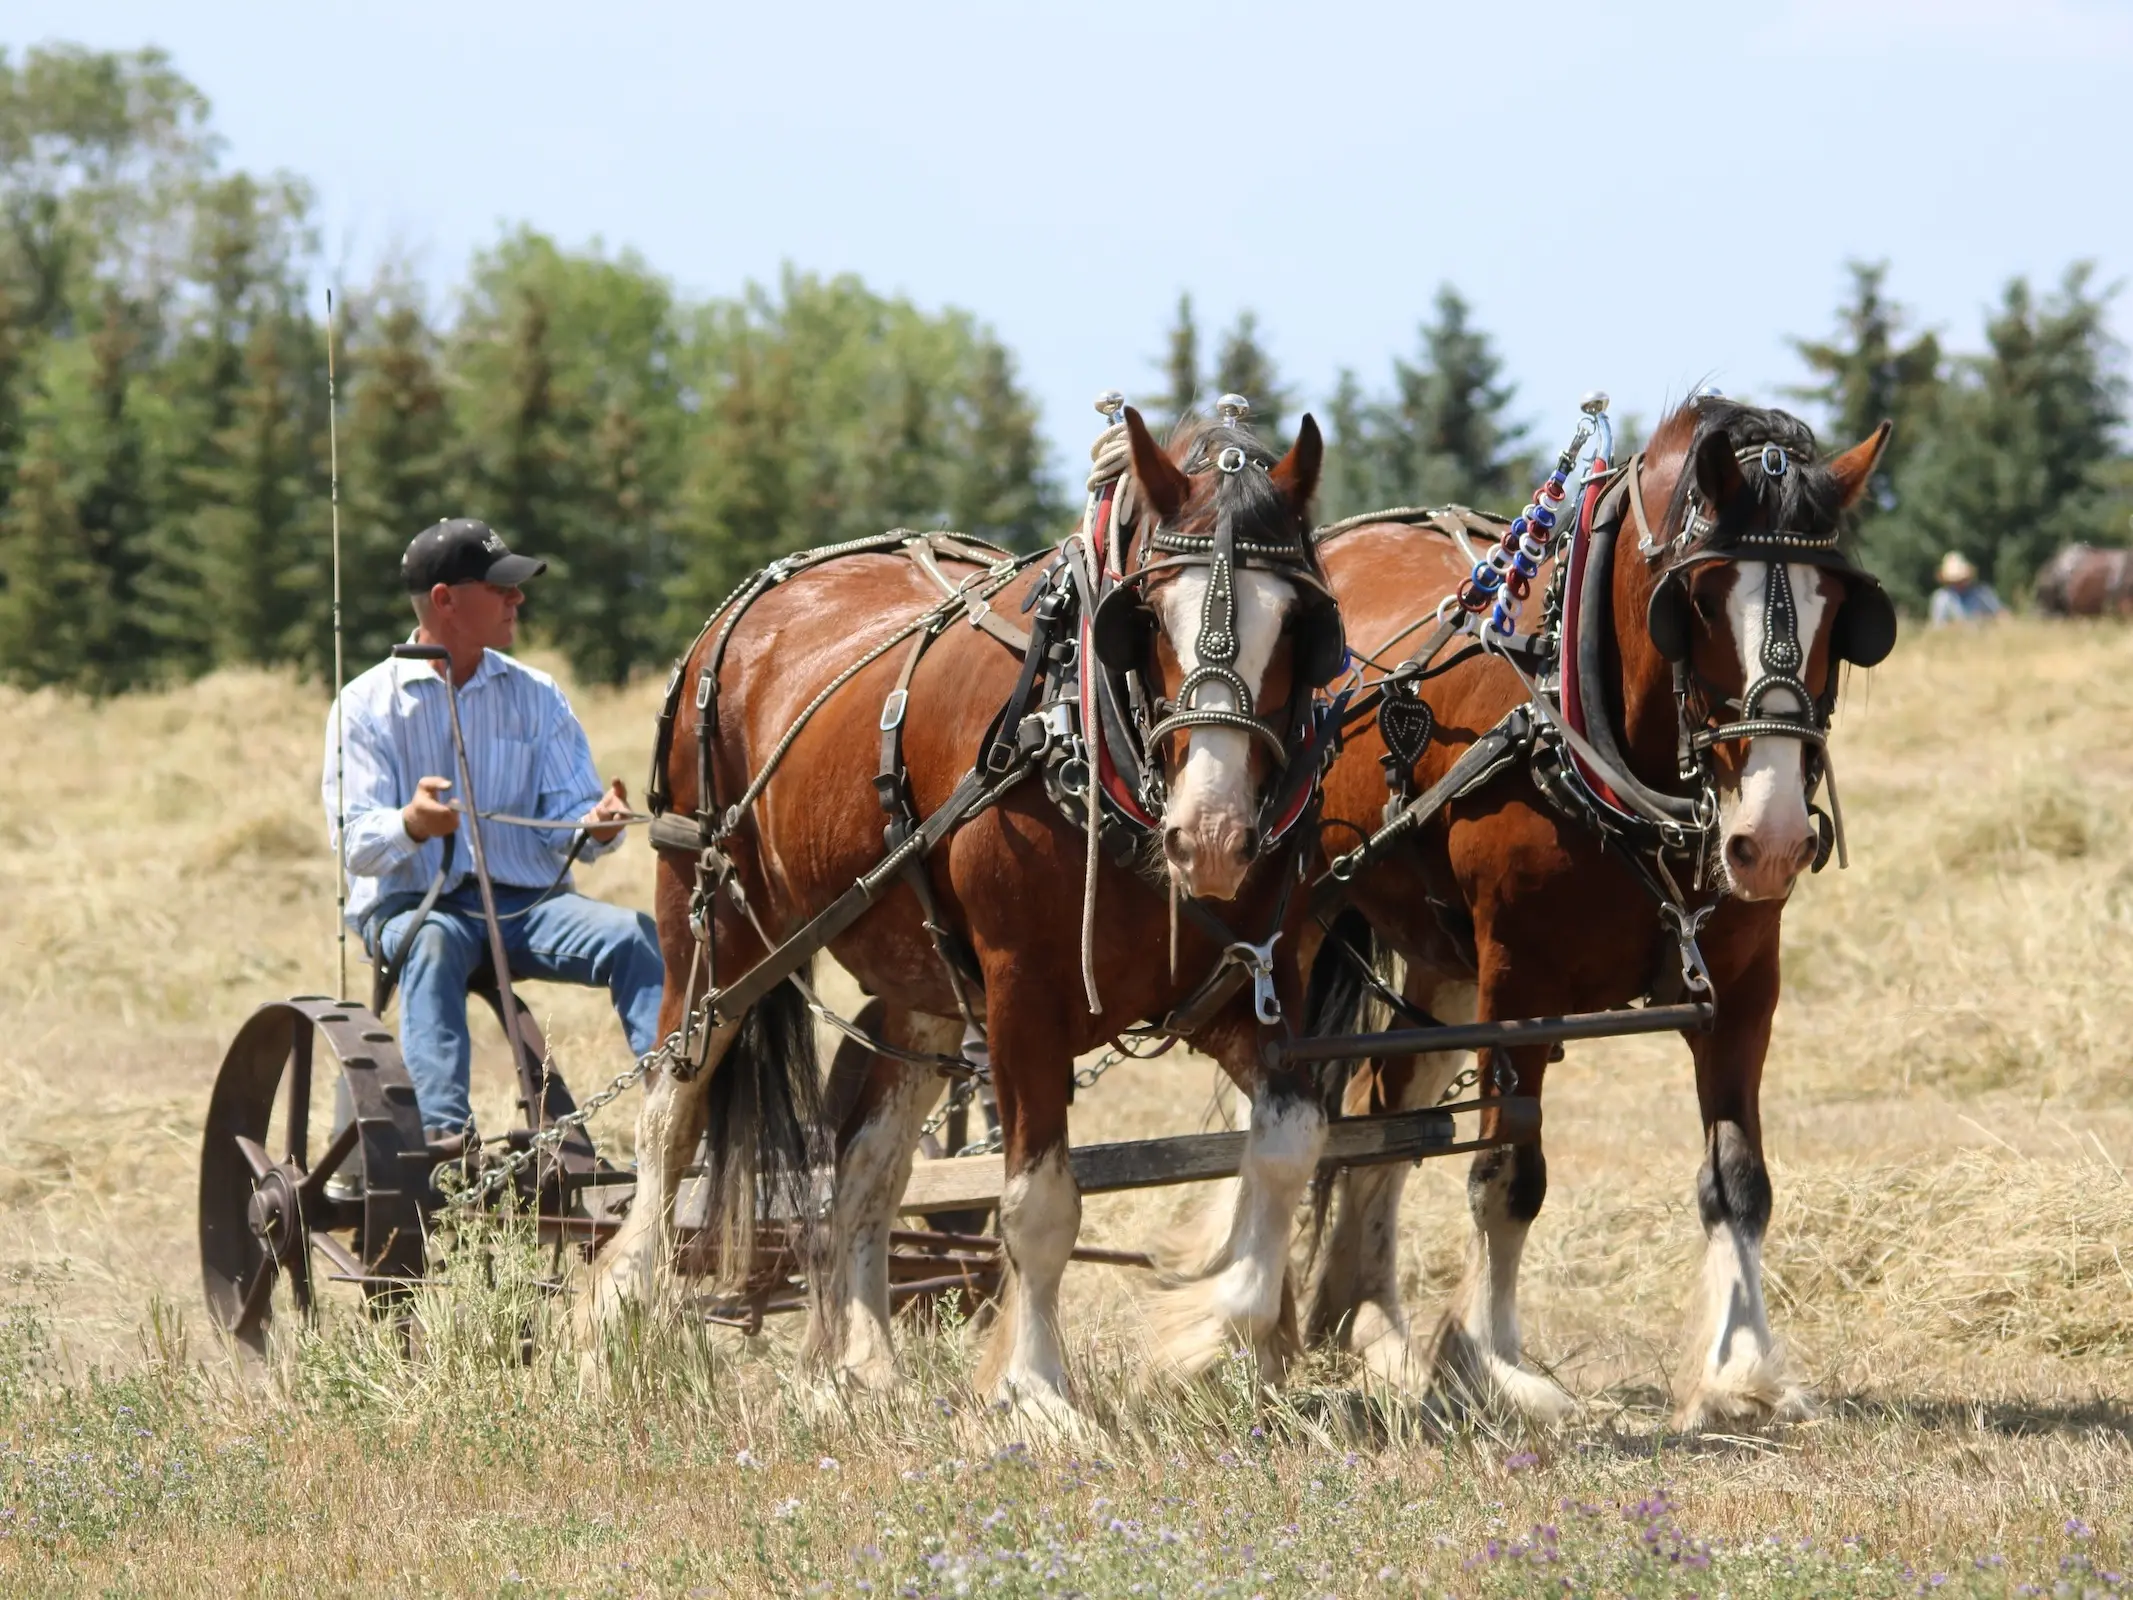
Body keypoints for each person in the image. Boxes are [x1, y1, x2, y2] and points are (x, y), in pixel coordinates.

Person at [322, 517, 664, 1139]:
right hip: (413, 907)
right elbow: (354, 843)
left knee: (635, 936)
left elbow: (566, 824)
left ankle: (681, 1115)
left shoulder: (538, 694)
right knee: (433, 944)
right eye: (501, 587)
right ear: (446, 601)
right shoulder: (364, 704)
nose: (518, 599)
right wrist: (412, 824)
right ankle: (443, 1141)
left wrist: (597, 824)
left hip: (526, 907)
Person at [1928, 550, 2004, 627]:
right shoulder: (1942, 599)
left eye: (1961, 580)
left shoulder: (1983, 594)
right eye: (1954, 581)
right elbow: (1938, 626)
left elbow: (2001, 615)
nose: (1958, 583)